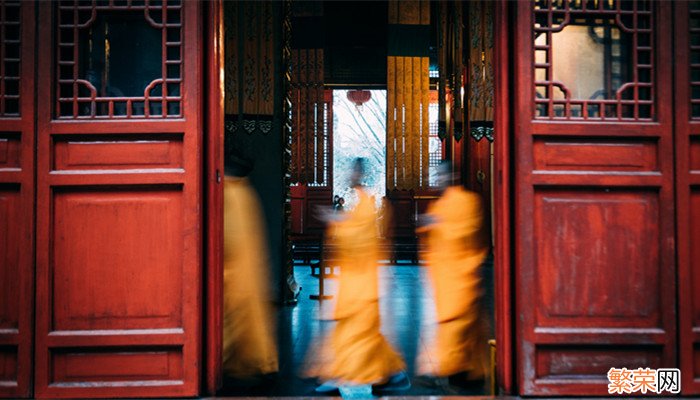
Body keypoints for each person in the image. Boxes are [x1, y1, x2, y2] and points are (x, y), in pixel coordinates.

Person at [309, 158, 409, 395]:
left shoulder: (366, 202)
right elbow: (353, 228)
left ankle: (374, 372)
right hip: (354, 277)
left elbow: (360, 238)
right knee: (353, 329)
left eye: (352, 170)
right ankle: (385, 373)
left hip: (362, 278)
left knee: (359, 330)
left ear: (359, 174)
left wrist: (336, 222)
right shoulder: (359, 204)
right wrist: (339, 221)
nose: (349, 174)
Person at [416, 161, 490, 388]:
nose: (439, 179)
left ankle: (444, 367)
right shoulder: (438, 206)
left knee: (455, 320)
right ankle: (467, 370)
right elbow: (429, 238)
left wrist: (438, 225)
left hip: (462, 271)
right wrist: (429, 225)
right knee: (456, 323)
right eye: (437, 175)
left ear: (454, 175)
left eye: (442, 174)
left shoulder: (469, 201)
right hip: (444, 274)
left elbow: (468, 230)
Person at [222, 151, 278, 380]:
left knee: (232, 319)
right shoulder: (244, 191)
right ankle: (259, 363)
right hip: (247, 267)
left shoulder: (230, 193)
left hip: (234, 269)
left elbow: (229, 239)